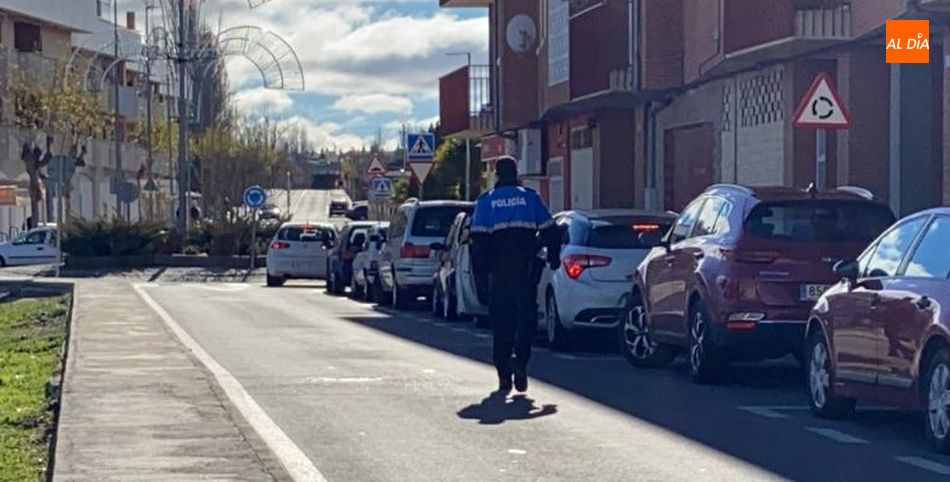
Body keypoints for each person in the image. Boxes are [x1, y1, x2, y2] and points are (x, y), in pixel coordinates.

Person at [470, 156, 560, 393]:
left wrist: (480, 276)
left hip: (498, 273)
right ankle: (520, 361)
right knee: (526, 320)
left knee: (502, 325)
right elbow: (551, 230)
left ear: (497, 175)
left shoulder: (486, 202)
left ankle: (503, 375)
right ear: (516, 174)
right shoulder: (530, 198)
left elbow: (477, 243)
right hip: (526, 270)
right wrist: (554, 256)